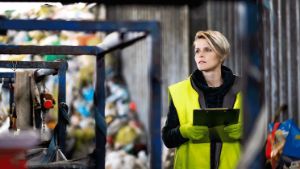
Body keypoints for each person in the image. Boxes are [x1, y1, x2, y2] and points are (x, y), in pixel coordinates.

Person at [162, 30, 242, 169]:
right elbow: (168, 139)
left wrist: (246, 131)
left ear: (222, 55)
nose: (200, 55)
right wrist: (184, 131)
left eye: (208, 50)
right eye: (197, 51)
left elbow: (261, 135)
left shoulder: (244, 89)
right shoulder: (180, 91)